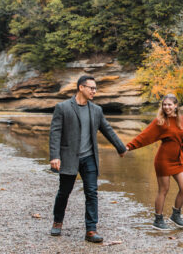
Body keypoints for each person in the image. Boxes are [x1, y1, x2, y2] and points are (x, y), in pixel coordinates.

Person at [48, 74, 126, 242]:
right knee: (64, 192)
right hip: (69, 157)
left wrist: (121, 147)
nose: (94, 91)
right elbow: (55, 133)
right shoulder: (63, 108)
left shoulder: (96, 110)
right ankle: (57, 222)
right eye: (91, 88)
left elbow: (107, 129)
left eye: (95, 88)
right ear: (81, 88)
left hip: (89, 157)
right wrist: (54, 156)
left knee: (91, 192)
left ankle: (91, 230)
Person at [126, 94, 183, 230]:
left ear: (176, 106)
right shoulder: (160, 121)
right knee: (164, 189)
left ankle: (176, 215)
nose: (167, 107)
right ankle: (158, 219)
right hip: (163, 160)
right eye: (164, 104)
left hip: (177, 161)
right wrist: (128, 147)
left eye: (169, 104)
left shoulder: (181, 119)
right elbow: (144, 136)